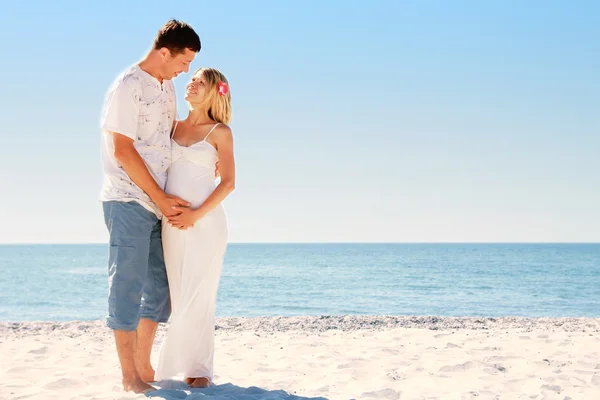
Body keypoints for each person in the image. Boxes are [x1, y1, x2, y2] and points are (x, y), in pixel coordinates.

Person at [99, 19, 200, 394]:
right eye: (183, 61)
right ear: (163, 52)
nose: (185, 70)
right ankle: (129, 376)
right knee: (127, 286)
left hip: (161, 201)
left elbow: (169, 136)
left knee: (160, 289)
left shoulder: (168, 86)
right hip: (128, 199)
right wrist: (159, 198)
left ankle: (143, 365)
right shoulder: (128, 87)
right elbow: (122, 150)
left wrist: (210, 150)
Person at [154, 67, 235, 388]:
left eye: (201, 82)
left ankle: (199, 370)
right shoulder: (169, 128)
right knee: (179, 291)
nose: (193, 84)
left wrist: (196, 215)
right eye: (192, 80)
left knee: (201, 294)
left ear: (215, 92)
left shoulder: (220, 132)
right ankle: (182, 363)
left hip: (207, 223)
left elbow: (228, 183)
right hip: (172, 223)